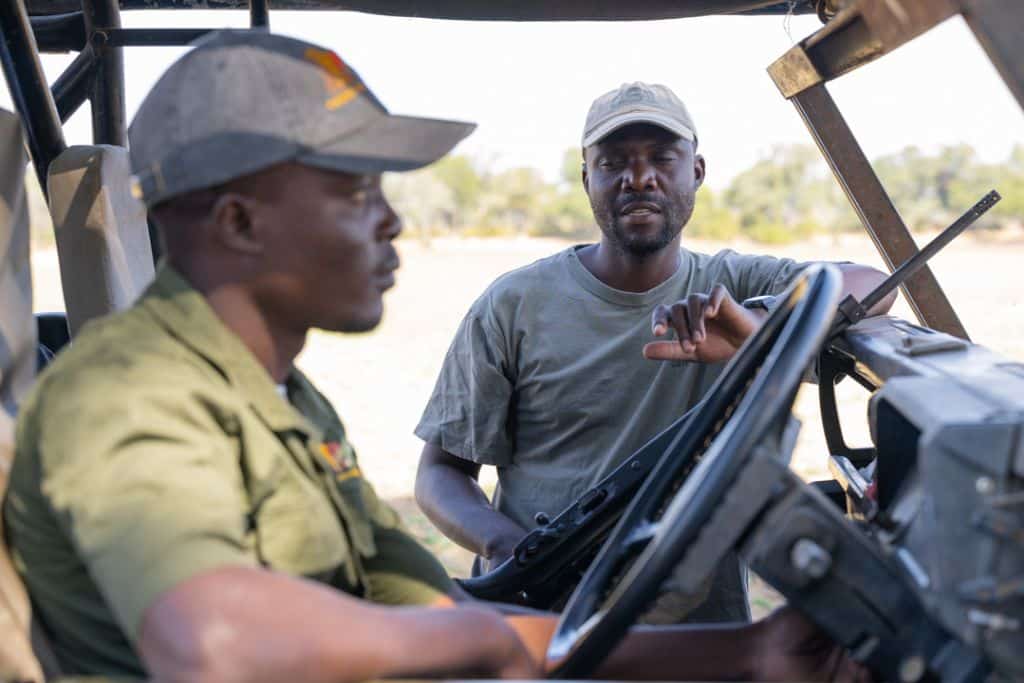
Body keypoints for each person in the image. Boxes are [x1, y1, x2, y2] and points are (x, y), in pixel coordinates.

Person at [4, 33, 864, 682]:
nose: (392, 223)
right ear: (238, 222)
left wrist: (750, 648)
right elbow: (216, 640)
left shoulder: (286, 406)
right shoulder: (127, 393)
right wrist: (483, 634)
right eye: (355, 192)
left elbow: (449, 609)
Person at [415, 82, 897, 624]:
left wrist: (755, 330)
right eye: (613, 161)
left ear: (697, 170)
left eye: (662, 159)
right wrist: (511, 547)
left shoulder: (735, 285)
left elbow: (873, 285)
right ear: (585, 178)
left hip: (700, 637)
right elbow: (440, 471)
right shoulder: (514, 304)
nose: (638, 178)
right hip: (540, 618)